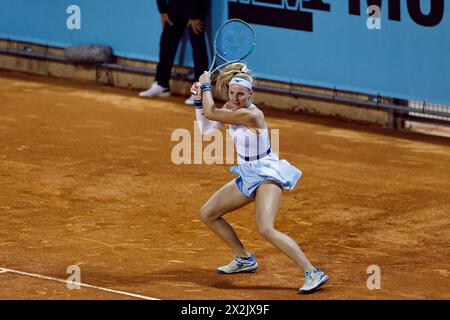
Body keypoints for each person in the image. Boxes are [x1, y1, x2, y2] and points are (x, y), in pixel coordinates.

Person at [190, 63, 329, 294]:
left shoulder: (251, 114)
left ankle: (312, 272)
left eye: (241, 94)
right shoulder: (231, 109)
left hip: (266, 174)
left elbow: (212, 112)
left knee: (265, 228)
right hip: (247, 173)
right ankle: (244, 259)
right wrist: (197, 101)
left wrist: (205, 86)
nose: (235, 98)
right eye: (232, 93)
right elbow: (207, 129)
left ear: (251, 94)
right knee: (208, 213)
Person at [139, 0, 208, 105]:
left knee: (198, 46)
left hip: (196, 4)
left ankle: (200, 91)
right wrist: (162, 9)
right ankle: (162, 85)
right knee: (166, 42)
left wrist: (194, 14)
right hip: (174, 5)